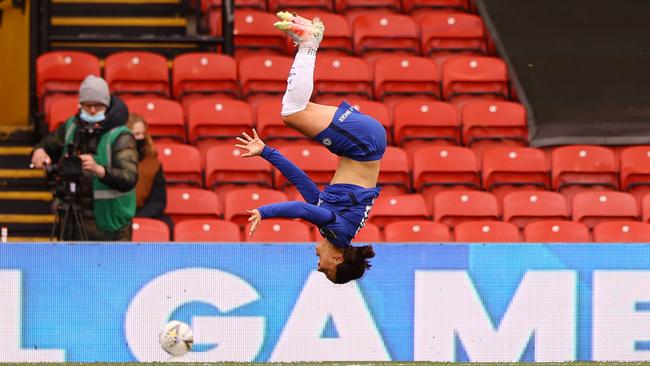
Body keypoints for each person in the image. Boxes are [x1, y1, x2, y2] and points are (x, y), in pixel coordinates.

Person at [237, 12, 386, 284]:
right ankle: (309, 43)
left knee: (296, 109)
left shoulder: (335, 228)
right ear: (338, 259)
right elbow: (303, 211)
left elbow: (304, 187)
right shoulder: (338, 233)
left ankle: (305, 32)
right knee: (292, 113)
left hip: (366, 141)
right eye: (326, 269)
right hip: (363, 144)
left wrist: (266, 152)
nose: (319, 266)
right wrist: (264, 212)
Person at [31, 75, 138, 241]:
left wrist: (99, 170)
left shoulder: (120, 135)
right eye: (87, 105)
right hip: (73, 219)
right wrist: (39, 151)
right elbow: (47, 145)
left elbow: (129, 178)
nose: (92, 110)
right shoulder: (71, 126)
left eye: (98, 106)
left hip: (111, 224)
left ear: (107, 105)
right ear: (80, 105)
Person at [126, 113, 173, 234]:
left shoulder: (153, 164)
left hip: (143, 212)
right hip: (117, 215)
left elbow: (158, 201)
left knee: (167, 224)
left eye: (143, 134)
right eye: (136, 134)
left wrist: (138, 218)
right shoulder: (112, 162)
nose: (140, 138)